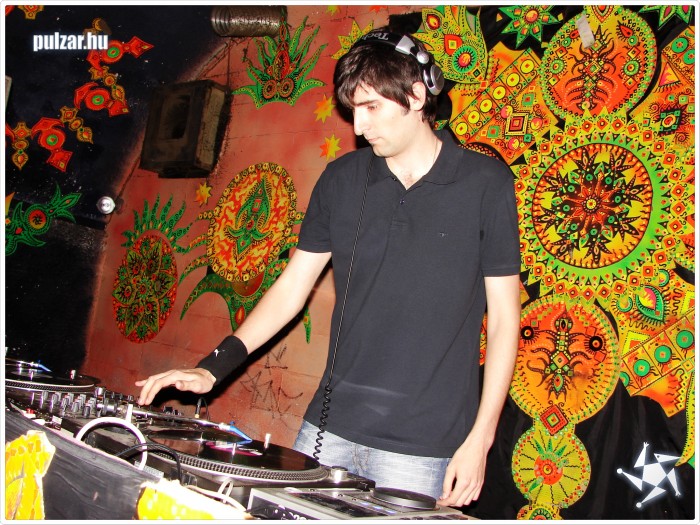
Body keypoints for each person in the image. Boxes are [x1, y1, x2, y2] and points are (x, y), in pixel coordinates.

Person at [136, 29, 521, 508]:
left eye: (372, 107)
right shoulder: (342, 180)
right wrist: (213, 369)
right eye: (353, 109)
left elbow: (504, 321)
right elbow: (292, 287)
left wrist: (481, 438)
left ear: (418, 95)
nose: (358, 126)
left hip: (422, 447)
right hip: (328, 429)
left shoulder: (485, 184)